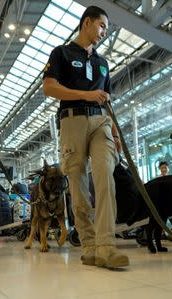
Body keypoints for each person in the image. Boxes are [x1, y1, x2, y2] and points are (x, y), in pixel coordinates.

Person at [42, 6, 128, 269]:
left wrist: (114, 129)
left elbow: (107, 97)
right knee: (78, 186)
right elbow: (49, 87)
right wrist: (85, 95)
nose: (104, 32)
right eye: (102, 26)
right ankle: (89, 245)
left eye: (107, 29)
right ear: (87, 22)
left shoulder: (102, 63)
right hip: (72, 121)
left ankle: (106, 246)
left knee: (105, 179)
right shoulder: (61, 53)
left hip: (101, 121)